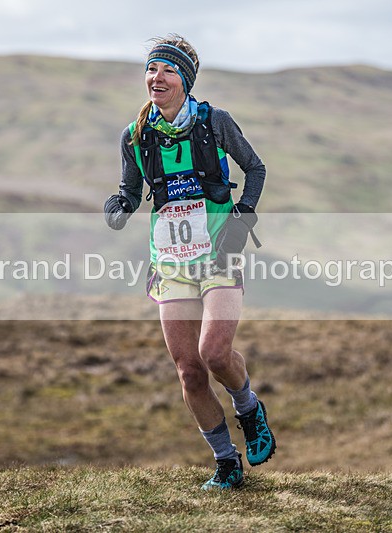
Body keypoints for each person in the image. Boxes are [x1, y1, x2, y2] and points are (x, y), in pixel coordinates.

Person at [104, 34, 275, 490]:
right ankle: (226, 463)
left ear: (185, 80)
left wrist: (243, 215)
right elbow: (131, 191)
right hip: (170, 262)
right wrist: (119, 207)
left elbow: (255, 168)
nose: (156, 78)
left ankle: (249, 409)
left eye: (167, 70)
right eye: (151, 69)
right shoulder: (136, 135)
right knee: (189, 371)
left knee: (215, 354)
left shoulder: (215, 122)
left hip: (218, 254)